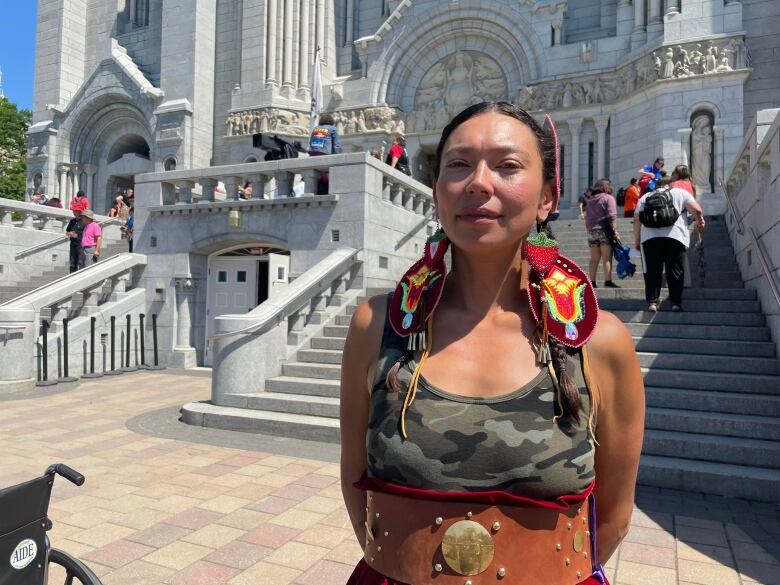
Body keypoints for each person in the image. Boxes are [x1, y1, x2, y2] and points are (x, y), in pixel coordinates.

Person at [341, 102, 644, 585]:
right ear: (437, 191)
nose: (479, 182)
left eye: (507, 166)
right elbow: (356, 482)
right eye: (458, 165)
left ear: (548, 197)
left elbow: (612, 516)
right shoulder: (376, 326)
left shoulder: (600, 343)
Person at [634, 176, 705, 312]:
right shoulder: (679, 193)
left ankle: (652, 302)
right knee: (675, 270)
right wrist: (699, 220)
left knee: (653, 271)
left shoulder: (645, 197)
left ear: (657, 185)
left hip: (650, 239)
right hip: (675, 237)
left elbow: (637, 219)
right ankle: (676, 303)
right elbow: (697, 210)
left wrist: (637, 239)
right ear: (671, 184)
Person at [585, 179, 620, 288]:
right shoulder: (608, 198)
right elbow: (612, 215)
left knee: (594, 258)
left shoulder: (590, 200)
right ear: (606, 187)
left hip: (592, 231)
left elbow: (587, 217)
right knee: (606, 257)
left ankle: (592, 282)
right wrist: (614, 231)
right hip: (605, 230)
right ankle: (608, 281)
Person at [308, 114, 341, 194]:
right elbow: (336, 145)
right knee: (326, 173)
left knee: (320, 172)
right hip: (324, 153)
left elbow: (310, 142)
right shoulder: (333, 129)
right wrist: (338, 158)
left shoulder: (315, 128)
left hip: (313, 153)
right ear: (331, 121)